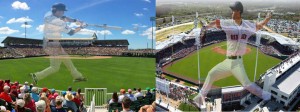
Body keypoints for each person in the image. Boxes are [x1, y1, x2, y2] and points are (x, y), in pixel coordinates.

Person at [193, 1, 272, 108]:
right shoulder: (228, 23)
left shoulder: (248, 25)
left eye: (233, 11)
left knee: (246, 84)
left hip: (237, 63)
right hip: (227, 61)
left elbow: (259, 26)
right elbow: (215, 22)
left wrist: (267, 19)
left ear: (238, 11)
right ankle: (199, 99)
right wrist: (205, 27)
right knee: (211, 74)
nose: (231, 13)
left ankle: (266, 95)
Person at [30, 3, 87, 85]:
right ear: (58, 11)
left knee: (67, 60)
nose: (63, 13)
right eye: (62, 11)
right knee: (55, 67)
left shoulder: (48, 15)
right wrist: (82, 27)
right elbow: (71, 32)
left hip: (50, 42)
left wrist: (76, 21)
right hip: (53, 44)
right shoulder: (59, 23)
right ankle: (36, 76)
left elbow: (64, 18)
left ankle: (77, 76)